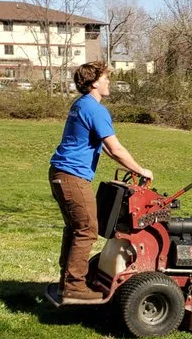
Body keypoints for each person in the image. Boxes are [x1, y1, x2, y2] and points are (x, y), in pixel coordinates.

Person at [49, 61, 153, 304]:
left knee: (75, 229)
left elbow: (104, 145)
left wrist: (127, 165)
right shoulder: (95, 109)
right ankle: (74, 287)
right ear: (94, 82)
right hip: (72, 176)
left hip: (60, 173)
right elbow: (115, 148)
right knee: (87, 229)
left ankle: (69, 281)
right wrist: (141, 170)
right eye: (106, 78)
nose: (108, 82)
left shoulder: (81, 105)